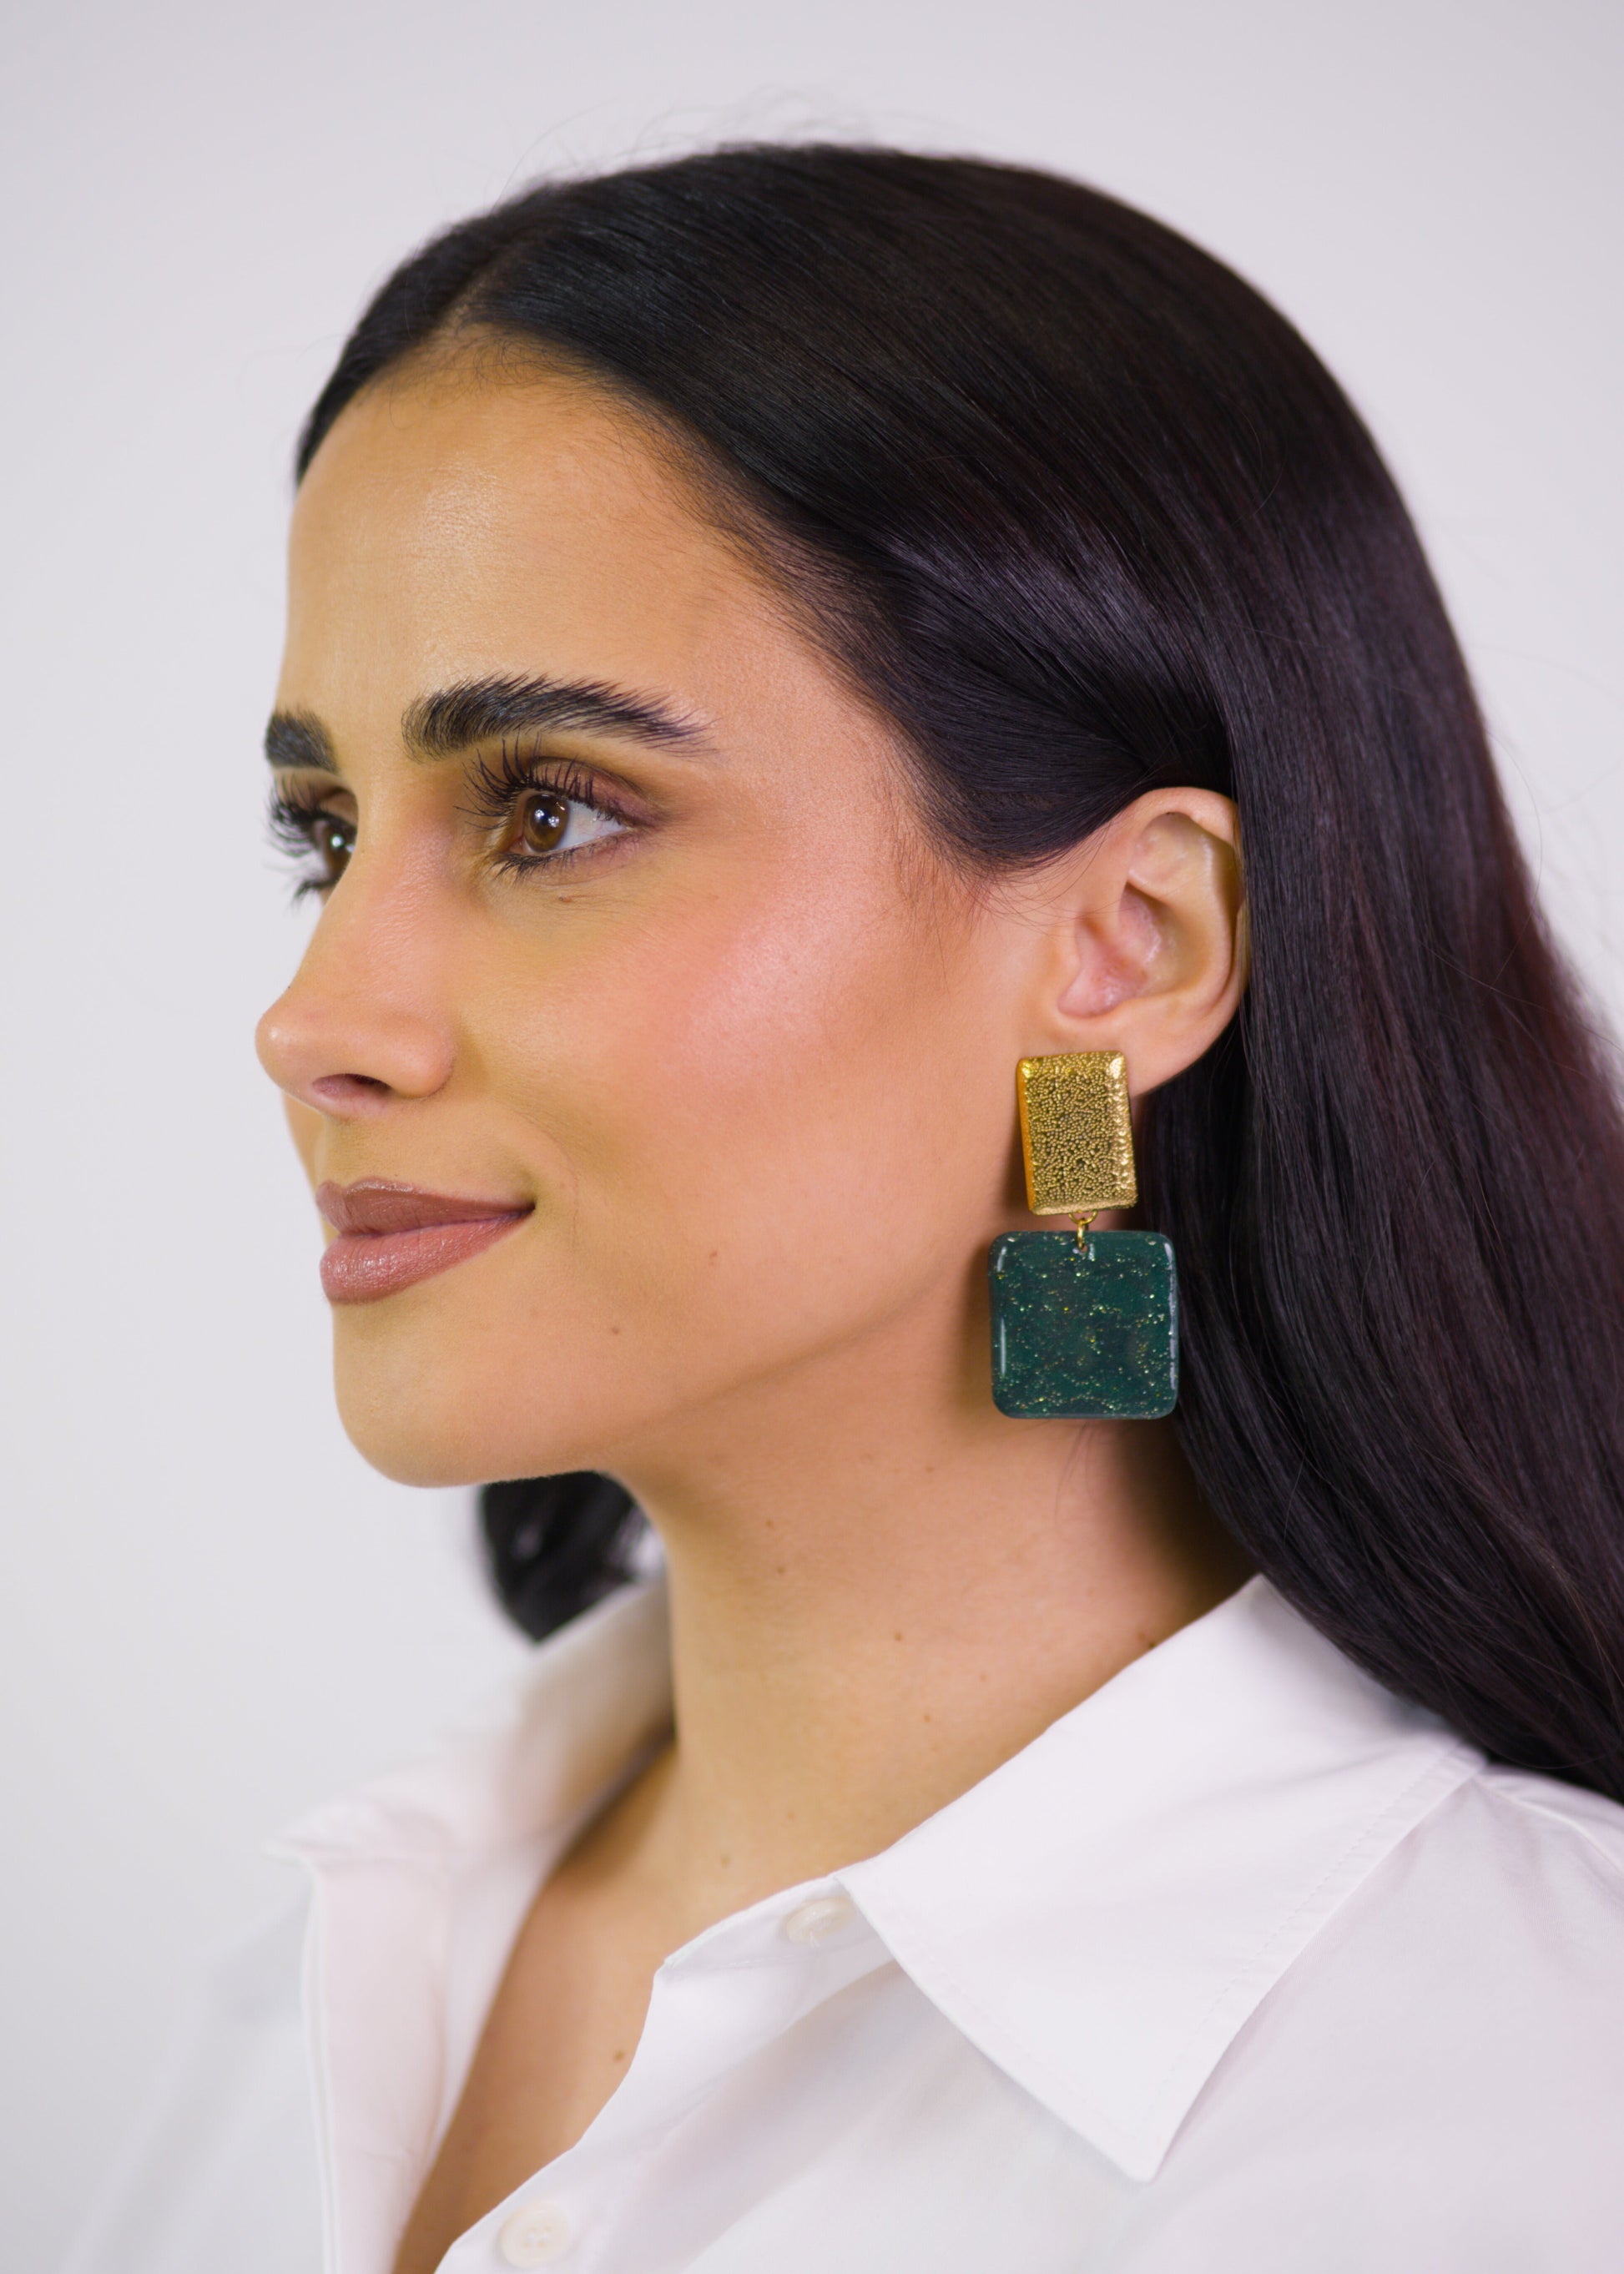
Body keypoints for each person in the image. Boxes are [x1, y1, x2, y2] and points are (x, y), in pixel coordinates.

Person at [67, 145, 1624, 2274]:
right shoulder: (334, 1979)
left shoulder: (1518, 2104)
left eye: (550, 812)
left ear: (1130, 945)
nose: (315, 1021)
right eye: (324, 833)